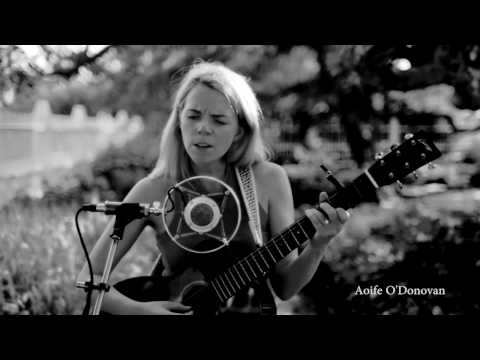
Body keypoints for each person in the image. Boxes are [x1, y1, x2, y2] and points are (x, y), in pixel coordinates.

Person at [77, 61, 351, 315]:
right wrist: (142, 312)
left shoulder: (268, 180)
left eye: (219, 120)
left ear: (240, 131)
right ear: (179, 121)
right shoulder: (153, 190)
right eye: (193, 116)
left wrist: (318, 245)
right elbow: (88, 282)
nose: (203, 129)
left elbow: (285, 287)